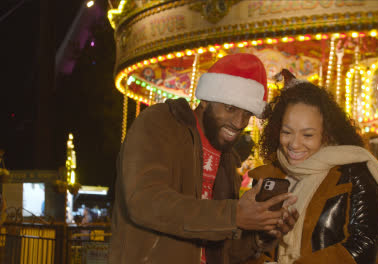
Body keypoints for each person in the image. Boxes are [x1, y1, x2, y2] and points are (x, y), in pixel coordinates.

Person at [109, 54, 299, 264]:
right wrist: (234, 215)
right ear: (206, 100)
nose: (239, 122)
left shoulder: (228, 160)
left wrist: (262, 233)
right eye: (230, 108)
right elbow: (144, 202)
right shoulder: (160, 122)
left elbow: (221, 251)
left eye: (247, 114)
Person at [247, 70, 378, 264]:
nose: (294, 144)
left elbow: (363, 246)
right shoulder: (270, 177)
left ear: (327, 134)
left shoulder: (353, 173)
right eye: (287, 132)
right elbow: (251, 246)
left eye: (307, 135)